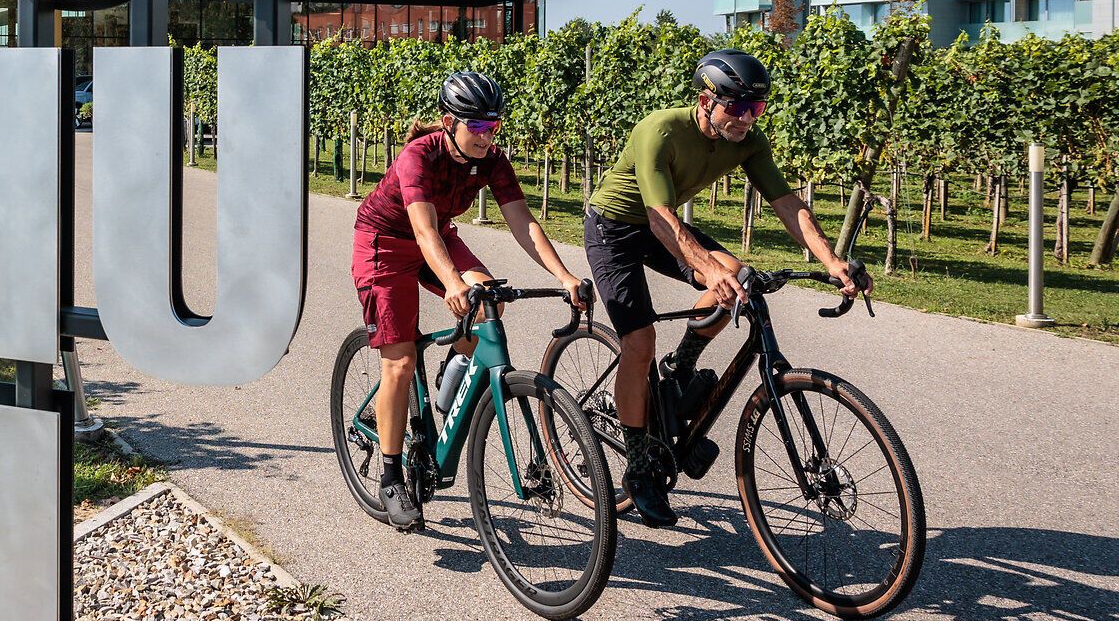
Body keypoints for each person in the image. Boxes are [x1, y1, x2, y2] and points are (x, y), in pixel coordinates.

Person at [584, 48, 866, 528]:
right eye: (735, 106)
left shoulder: (748, 142)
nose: (744, 118)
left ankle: (680, 367)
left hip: (665, 227)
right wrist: (706, 268)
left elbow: (787, 203)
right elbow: (658, 216)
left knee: (738, 279)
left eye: (754, 109)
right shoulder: (661, 129)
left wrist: (833, 260)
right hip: (615, 228)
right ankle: (640, 467)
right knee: (640, 341)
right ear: (704, 99)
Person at [351, 70, 587, 529]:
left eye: (492, 126)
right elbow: (420, 229)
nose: (485, 135)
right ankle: (391, 475)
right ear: (448, 122)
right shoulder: (418, 156)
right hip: (386, 243)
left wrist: (564, 275)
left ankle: (454, 365)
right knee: (398, 361)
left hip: (438, 237)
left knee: (488, 302)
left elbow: (524, 224)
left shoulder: (492, 161)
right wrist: (452, 282)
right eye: (475, 126)